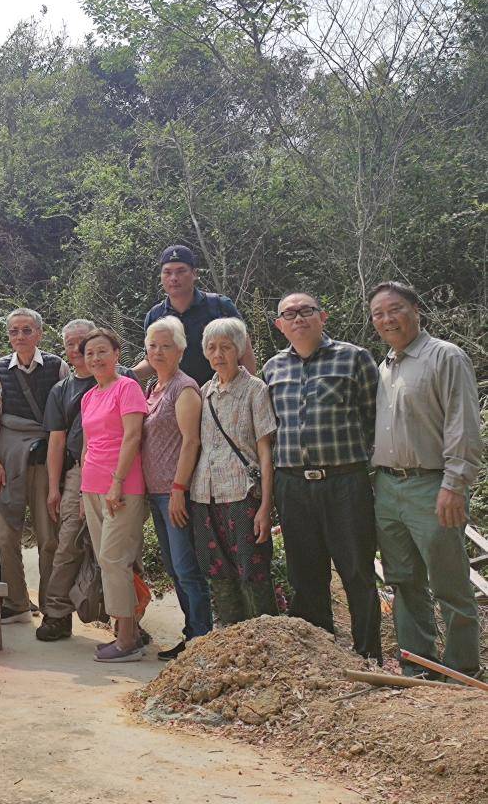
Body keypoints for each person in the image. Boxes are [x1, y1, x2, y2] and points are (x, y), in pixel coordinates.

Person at [369, 281, 483, 678]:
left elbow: (463, 426)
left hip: (433, 485)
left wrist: (455, 483)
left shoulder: (444, 357)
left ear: (416, 310)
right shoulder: (383, 366)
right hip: (387, 487)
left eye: (395, 309)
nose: (387, 319)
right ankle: (418, 664)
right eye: (378, 314)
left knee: (449, 582)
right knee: (404, 581)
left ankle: (462, 669)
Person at [263, 292, 381, 661]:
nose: (298, 318)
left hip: (345, 482)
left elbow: (374, 418)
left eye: (306, 311)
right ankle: (321, 657)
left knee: (357, 572)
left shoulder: (354, 358)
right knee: (305, 574)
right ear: (280, 325)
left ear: (322, 317)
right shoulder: (272, 369)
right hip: (293, 485)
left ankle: (367, 655)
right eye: (289, 314)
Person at [37, 320, 133, 641]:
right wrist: (55, 487)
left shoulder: (124, 381)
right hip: (81, 470)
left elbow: (134, 434)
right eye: (73, 345)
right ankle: (57, 613)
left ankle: (130, 622)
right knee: (68, 543)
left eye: (87, 345)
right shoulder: (63, 391)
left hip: (121, 471)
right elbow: (57, 441)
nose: (80, 352)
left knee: (122, 549)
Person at [0, 308, 67, 623]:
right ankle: (16, 602)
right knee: (5, 535)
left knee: (49, 536)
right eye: (14, 331)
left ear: (39, 334)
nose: (20, 337)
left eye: (26, 330)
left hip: (45, 459)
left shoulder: (58, 367)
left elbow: (65, 421)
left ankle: (51, 603)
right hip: (6, 458)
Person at [190, 317, 279, 625]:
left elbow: (266, 452)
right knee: (216, 570)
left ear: (239, 349)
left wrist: (266, 506)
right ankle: (231, 641)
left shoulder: (256, 390)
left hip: (243, 494)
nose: (219, 354)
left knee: (252, 571)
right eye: (212, 347)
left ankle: (266, 638)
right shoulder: (204, 392)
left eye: (226, 347)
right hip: (204, 494)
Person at [140, 317, 211, 659]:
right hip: (155, 493)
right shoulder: (152, 387)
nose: (158, 351)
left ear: (181, 350)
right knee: (173, 568)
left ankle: (200, 638)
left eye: (166, 345)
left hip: (175, 492)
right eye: (153, 345)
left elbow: (191, 441)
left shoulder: (184, 388)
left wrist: (179, 488)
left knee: (186, 568)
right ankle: (191, 633)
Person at [79, 329, 149, 662]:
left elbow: (133, 436)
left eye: (102, 351)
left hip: (122, 486)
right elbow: (87, 445)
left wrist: (117, 481)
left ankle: (128, 640)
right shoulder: (90, 395)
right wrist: (82, 490)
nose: (95, 358)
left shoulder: (128, 387)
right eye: (89, 353)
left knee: (113, 558)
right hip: (91, 486)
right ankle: (126, 631)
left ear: (117, 354)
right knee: (106, 560)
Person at [135, 245, 256, 386]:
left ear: (194, 274)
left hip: (220, 395)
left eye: (181, 271)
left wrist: (248, 391)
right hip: (178, 400)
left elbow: (245, 350)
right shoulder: (155, 316)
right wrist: (124, 374)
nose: (173, 278)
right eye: (167, 272)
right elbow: (152, 361)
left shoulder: (219, 306)